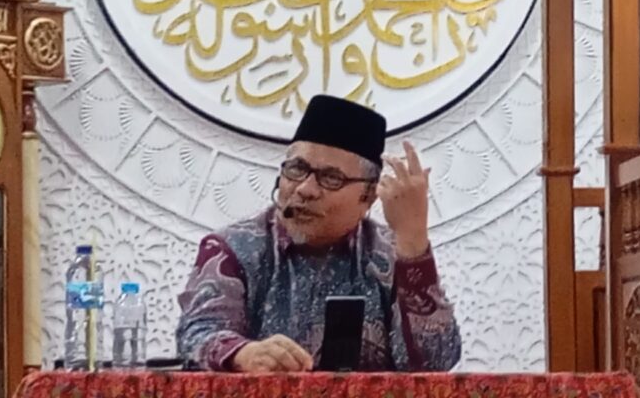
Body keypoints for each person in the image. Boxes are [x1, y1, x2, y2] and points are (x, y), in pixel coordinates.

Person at [176, 95, 461, 372]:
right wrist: (242, 354)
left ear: (368, 197)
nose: (305, 189)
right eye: (297, 169)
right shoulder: (234, 249)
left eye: (331, 178)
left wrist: (413, 244)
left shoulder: (390, 254)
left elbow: (435, 363)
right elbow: (197, 334)